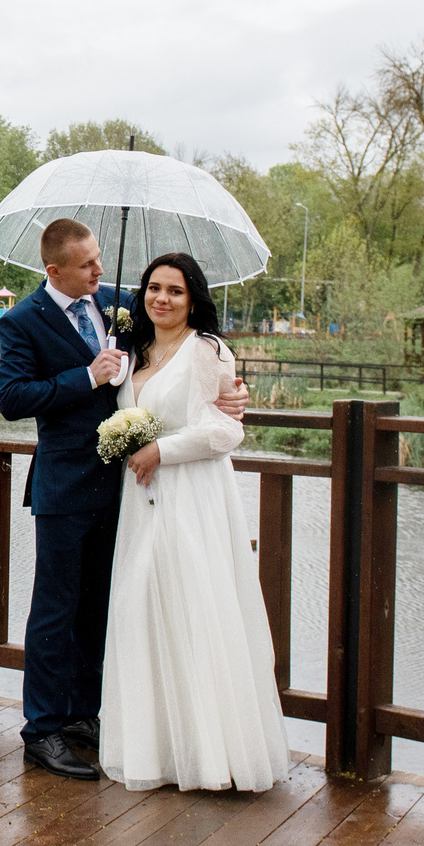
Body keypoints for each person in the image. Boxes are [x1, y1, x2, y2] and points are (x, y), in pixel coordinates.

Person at [0, 219, 247, 780]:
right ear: (55, 269)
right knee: (55, 611)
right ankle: (42, 730)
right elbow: (11, 398)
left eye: (99, 259)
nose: (100, 270)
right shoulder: (22, 320)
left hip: (127, 488)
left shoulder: (119, 305)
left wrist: (232, 392)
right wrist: (85, 377)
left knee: (99, 608)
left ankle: (84, 715)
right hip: (64, 486)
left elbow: (180, 353)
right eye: (87, 264)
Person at [102, 251, 290, 792]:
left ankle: (214, 758)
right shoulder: (132, 351)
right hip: (143, 499)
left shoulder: (207, 350)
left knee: (195, 609)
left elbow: (226, 431)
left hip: (192, 496)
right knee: (143, 608)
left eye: (175, 290)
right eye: (153, 288)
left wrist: (161, 450)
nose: (161, 299)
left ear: (193, 299)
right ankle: (157, 751)